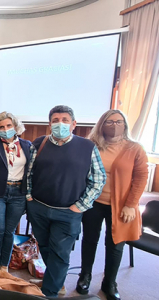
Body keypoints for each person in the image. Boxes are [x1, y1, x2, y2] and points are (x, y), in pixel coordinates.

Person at [26, 105, 106, 297]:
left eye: (64, 120)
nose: (59, 124)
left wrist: (81, 206)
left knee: (61, 253)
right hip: (39, 208)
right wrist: (29, 197)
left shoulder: (88, 147)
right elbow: (29, 173)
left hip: (67, 213)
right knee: (44, 247)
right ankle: (56, 280)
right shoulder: (39, 143)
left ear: (73, 124)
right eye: (55, 120)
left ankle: (50, 293)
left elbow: (98, 179)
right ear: (49, 124)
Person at [76, 110, 149, 300]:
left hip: (121, 205)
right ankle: (85, 276)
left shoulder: (135, 148)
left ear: (125, 124)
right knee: (90, 239)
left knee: (115, 244)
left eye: (118, 121)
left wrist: (131, 204)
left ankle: (110, 282)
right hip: (93, 202)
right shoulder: (91, 145)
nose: (114, 125)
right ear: (102, 124)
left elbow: (141, 177)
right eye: (109, 122)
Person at [0, 112, 31, 279]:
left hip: (19, 194)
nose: (6, 129)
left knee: (9, 232)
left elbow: (31, 172)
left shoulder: (27, 145)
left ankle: (5, 265)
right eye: (2, 127)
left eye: (9, 126)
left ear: (15, 127)